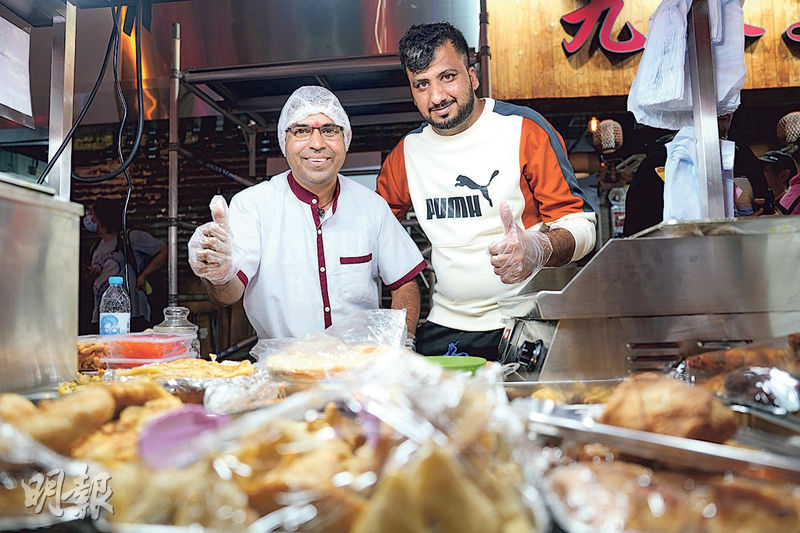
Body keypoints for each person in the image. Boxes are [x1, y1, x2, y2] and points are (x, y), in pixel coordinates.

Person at [376, 22, 596, 359]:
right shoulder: (406, 155)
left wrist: (539, 248)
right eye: (422, 84)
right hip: (448, 323)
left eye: (447, 77)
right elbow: (373, 233)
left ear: (472, 75)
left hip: (529, 320)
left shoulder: (524, 129)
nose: (436, 97)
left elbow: (581, 227)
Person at [188, 86, 425, 342]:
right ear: (284, 141)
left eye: (329, 130)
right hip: (282, 371)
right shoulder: (253, 206)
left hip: (358, 372)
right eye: (301, 131)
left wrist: (404, 342)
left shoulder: (371, 207)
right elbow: (226, 295)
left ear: (345, 139)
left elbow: (405, 283)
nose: (317, 143)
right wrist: (218, 272)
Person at [623, 113, 769, 235]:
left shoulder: (743, 155)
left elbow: (765, 207)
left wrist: (760, 215)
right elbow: (638, 232)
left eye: (728, 102)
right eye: (715, 100)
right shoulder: (662, 160)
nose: (723, 109)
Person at [85, 198, 167, 332]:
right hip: (102, 317)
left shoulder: (130, 238)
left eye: (91, 214)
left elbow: (165, 250)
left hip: (132, 315)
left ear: (101, 216)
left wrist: (143, 276)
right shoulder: (96, 247)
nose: (89, 218)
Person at [759, 150, 800, 215]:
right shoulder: (760, 203)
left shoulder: (790, 206)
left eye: (766, 170)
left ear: (783, 176)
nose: (759, 174)